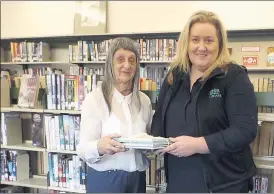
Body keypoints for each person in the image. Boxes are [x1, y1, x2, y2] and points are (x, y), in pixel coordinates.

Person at [151, 10, 257, 193]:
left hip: (223, 183)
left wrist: (198, 144)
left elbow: (245, 130)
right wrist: (149, 142)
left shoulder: (233, 77)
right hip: (178, 180)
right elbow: (159, 121)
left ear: (220, 45)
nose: (201, 47)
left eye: (209, 40)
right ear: (186, 43)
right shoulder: (173, 77)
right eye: (195, 40)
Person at [77, 37, 153, 193]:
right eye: (120, 59)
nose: (127, 65)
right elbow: (83, 149)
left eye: (132, 60)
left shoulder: (144, 101)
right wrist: (99, 146)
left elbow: (148, 143)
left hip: (137, 181)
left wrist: (151, 145)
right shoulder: (95, 100)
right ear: (110, 64)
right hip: (105, 181)